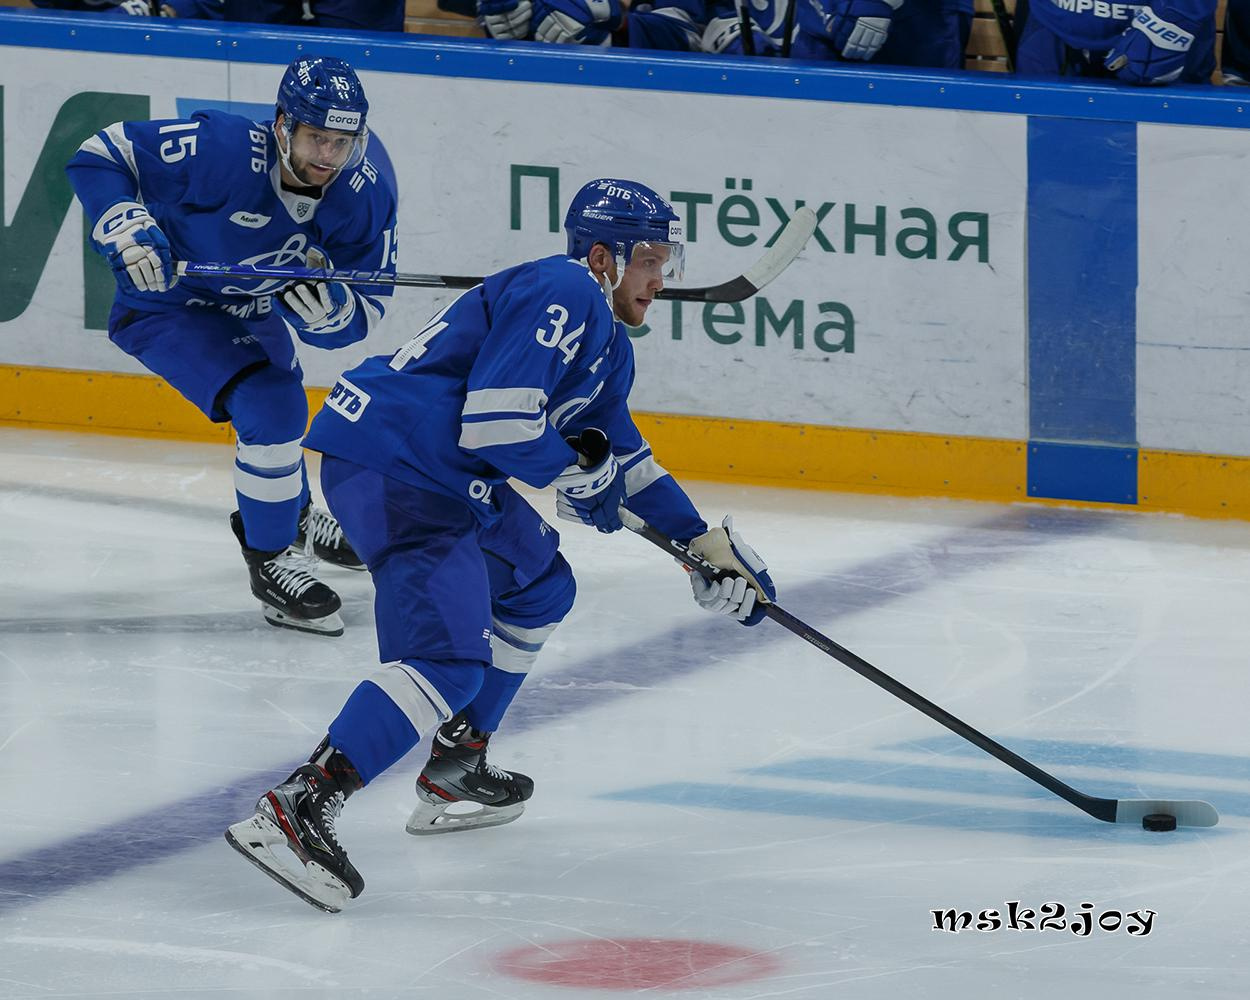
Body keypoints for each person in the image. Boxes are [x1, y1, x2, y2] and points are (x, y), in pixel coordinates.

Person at [224, 178, 778, 913]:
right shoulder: (566, 287)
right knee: (447, 659)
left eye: (667, 260)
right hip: (398, 462)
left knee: (542, 585)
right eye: (650, 258)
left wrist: (703, 543)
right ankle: (301, 803)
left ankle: (458, 761)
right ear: (605, 257)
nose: (661, 278)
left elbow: (627, 461)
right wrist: (576, 470)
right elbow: (496, 427)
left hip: (439, 474)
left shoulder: (607, 344)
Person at [65, 56, 398, 637]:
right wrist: (120, 217)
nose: (327, 156)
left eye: (342, 142)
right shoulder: (220, 149)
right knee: (273, 408)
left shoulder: (367, 189)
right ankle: (271, 562)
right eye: (316, 137)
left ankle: (293, 518)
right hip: (167, 303)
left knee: (281, 411)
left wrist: (333, 315)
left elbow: (365, 309)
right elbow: (100, 153)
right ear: (282, 125)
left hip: (251, 306)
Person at [1014, 0, 1217, 85]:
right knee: (1047, 157)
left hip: (1156, 33)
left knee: (1170, 161)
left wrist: (1174, 20)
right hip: (1049, 28)